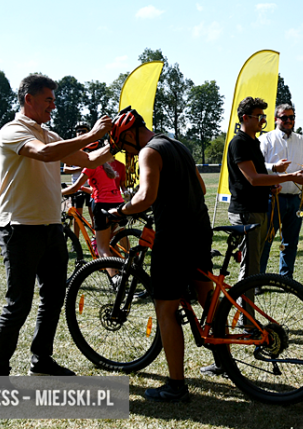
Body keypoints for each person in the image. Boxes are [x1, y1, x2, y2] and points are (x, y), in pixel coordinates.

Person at [0, 74, 112, 377]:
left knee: (55, 297)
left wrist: (118, 142)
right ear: (28, 99)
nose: (53, 106)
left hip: (50, 227)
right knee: (19, 304)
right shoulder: (13, 131)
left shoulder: (50, 134)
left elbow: (90, 160)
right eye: (48, 100)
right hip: (19, 227)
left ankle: (40, 361)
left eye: (54, 101)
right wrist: (91, 133)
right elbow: (43, 154)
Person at [201, 97, 303, 378]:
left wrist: (275, 174)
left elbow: (259, 173)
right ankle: (246, 321)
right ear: (244, 117)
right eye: (258, 115)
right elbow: (251, 178)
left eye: (264, 116)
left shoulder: (253, 142)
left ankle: (246, 318)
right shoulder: (240, 142)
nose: (262, 120)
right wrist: (286, 177)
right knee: (250, 269)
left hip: (258, 210)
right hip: (245, 214)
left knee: (252, 268)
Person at [105, 106, 212, 402]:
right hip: (200, 229)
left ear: (129, 133)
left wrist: (119, 210)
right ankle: (224, 361)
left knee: (165, 310)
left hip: (175, 237)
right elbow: (201, 187)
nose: (125, 153)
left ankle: (176, 386)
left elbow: (146, 195)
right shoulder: (177, 144)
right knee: (208, 298)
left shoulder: (149, 151)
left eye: (122, 145)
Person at [258, 103, 303, 278]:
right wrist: (274, 167)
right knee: (266, 240)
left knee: (291, 242)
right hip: (273, 198)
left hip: (295, 199)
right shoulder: (266, 139)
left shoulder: (302, 141)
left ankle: (286, 279)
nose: (288, 121)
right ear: (276, 119)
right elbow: (257, 166)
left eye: (291, 117)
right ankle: (257, 281)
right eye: (284, 117)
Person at [61, 141, 124, 274]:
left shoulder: (90, 167)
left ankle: (115, 280)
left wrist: (57, 193)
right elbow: (101, 189)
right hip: (117, 203)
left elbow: (74, 188)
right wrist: (85, 189)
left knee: (102, 248)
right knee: (113, 241)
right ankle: (124, 269)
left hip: (103, 205)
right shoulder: (106, 166)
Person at [63, 122, 93, 238]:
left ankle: (96, 238)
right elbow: (65, 169)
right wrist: (82, 166)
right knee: (77, 216)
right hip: (77, 185)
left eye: (83, 131)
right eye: (78, 131)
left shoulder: (92, 147)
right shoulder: (72, 148)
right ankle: (75, 240)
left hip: (90, 185)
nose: (80, 133)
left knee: (93, 214)